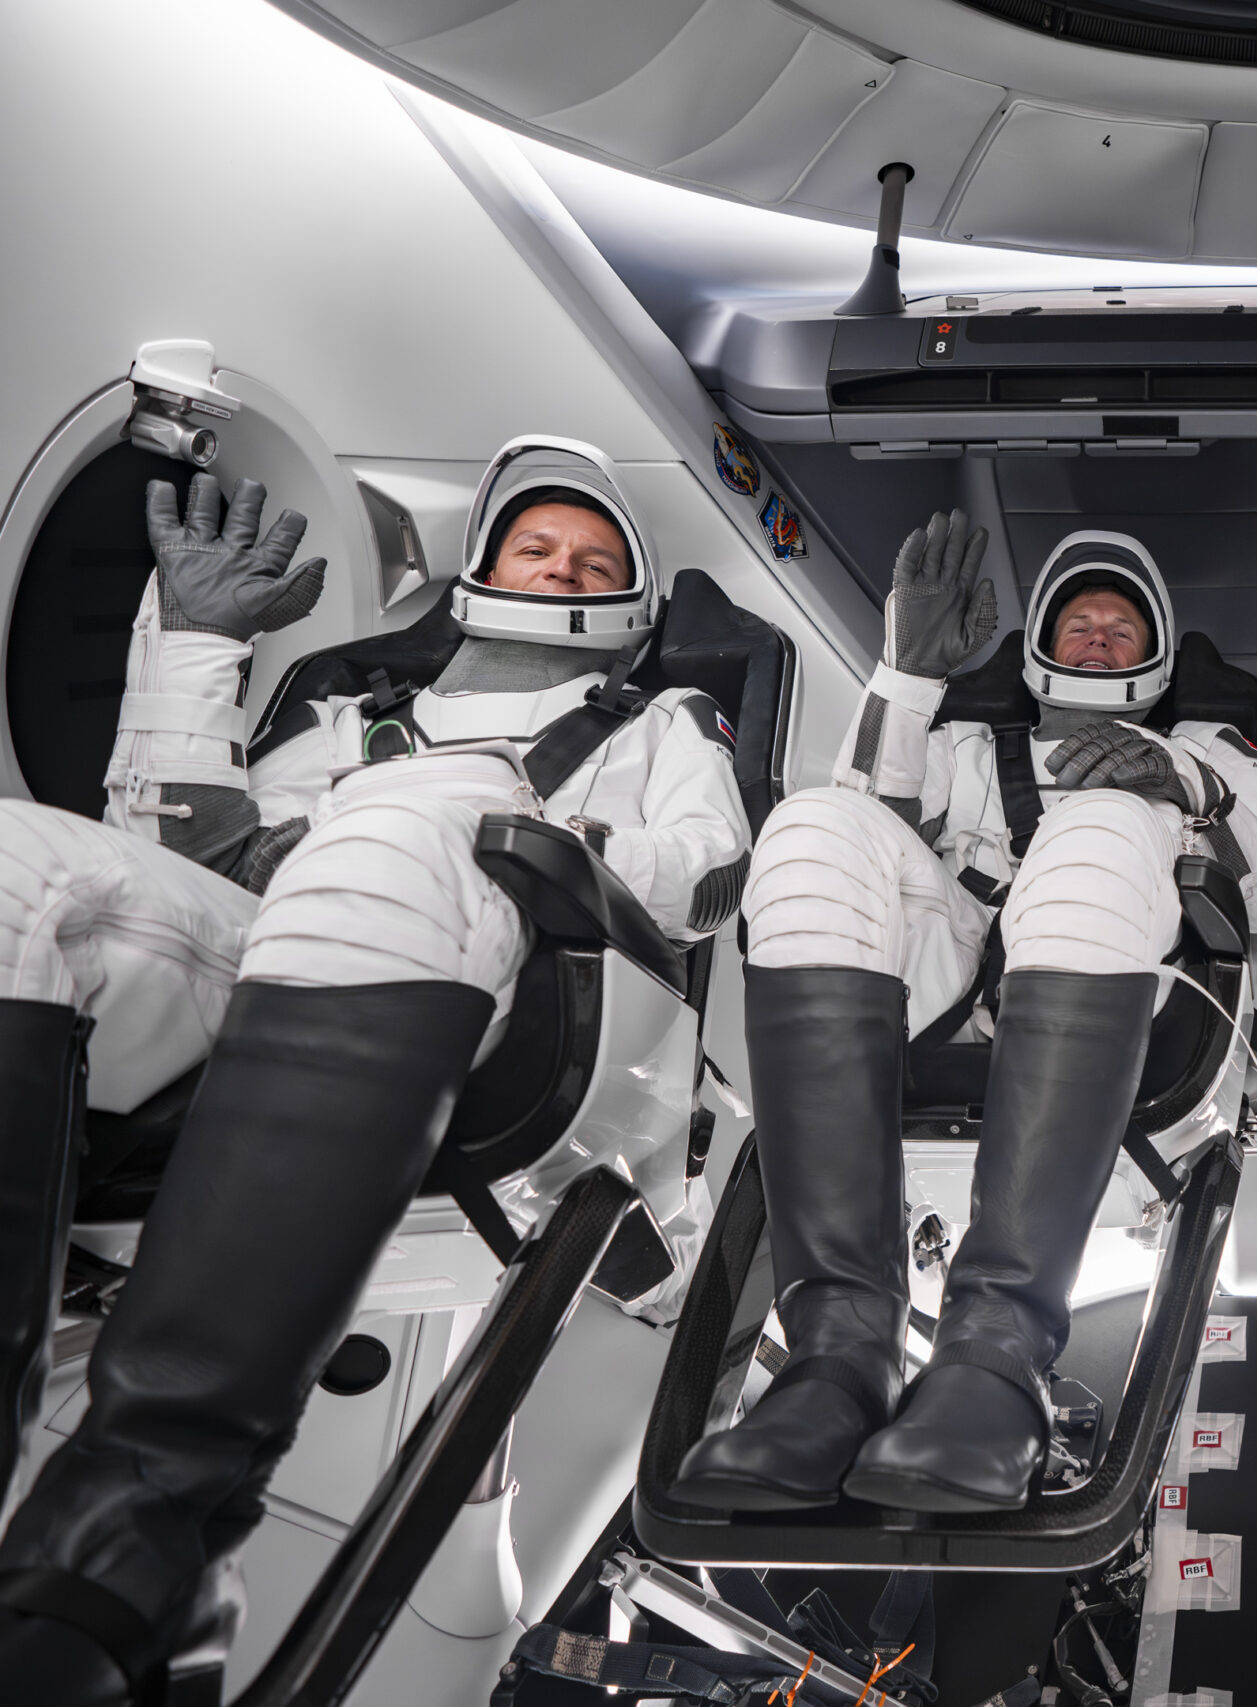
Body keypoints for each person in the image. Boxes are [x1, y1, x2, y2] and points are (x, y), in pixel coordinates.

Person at [0, 438, 751, 1705]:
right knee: (27, 869)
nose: (561, 568)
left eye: (592, 559)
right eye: (535, 547)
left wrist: (500, 813)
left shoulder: (660, 723)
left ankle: (141, 1538)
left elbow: (701, 870)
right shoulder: (345, 714)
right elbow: (183, 855)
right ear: (482, 571)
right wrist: (192, 648)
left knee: (408, 824)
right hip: (281, 952)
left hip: (545, 999)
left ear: (628, 605)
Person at [668, 515, 1257, 1516]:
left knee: (1103, 821)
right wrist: (906, 678)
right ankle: (839, 1361)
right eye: (1079, 622)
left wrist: (1180, 784)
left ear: (1157, 656)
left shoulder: (1203, 748)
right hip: (946, 985)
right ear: (1042, 644)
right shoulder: (964, 743)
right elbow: (861, 826)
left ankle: (998, 1359)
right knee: (812, 823)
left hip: (1114, 1002)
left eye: (1120, 629)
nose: (1097, 638)